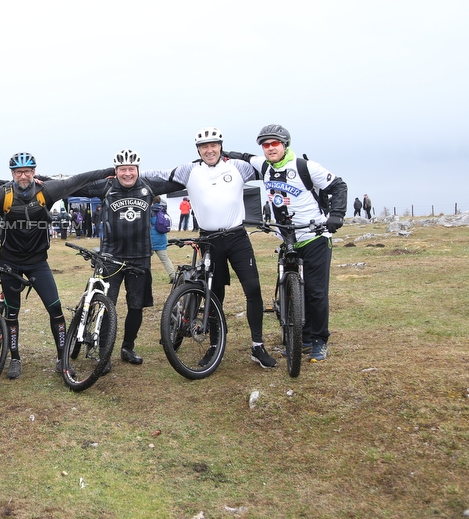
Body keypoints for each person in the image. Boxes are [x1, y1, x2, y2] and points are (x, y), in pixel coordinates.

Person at [0, 153, 113, 378]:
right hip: (10, 262)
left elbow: (78, 179)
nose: (23, 175)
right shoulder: (2, 194)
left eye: (27, 171)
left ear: (34, 171)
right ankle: (15, 359)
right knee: (12, 314)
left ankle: (62, 358)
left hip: (38, 263)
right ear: (12, 174)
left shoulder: (46, 191)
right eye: (19, 172)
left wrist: (110, 170)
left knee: (55, 309)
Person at [145, 127, 276, 369]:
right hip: (209, 240)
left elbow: (269, 164)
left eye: (213, 145)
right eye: (204, 146)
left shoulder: (238, 167)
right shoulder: (189, 170)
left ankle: (258, 345)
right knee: (214, 295)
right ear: (198, 150)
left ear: (220, 146)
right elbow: (159, 174)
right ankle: (215, 346)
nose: (209, 150)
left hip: (237, 237)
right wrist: (126, 173)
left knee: (253, 289)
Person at [233, 124, 347, 363]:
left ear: (285, 145)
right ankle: (301, 338)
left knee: (316, 292)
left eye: (275, 143)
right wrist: (214, 154)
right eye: (266, 145)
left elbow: (338, 186)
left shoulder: (306, 167)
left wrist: (336, 214)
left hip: (314, 236)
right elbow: (241, 157)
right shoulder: (263, 165)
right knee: (292, 292)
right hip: (287, 237)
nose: (270, 148)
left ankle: (319, 340)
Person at [72, 150, 185, 365]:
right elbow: (75, 185)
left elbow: (179, 182)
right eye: (122, 169)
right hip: (111, 257)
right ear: (115, 171)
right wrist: (45, 181)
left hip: (140, 257)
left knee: (136, 306)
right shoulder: (105, 187)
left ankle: (128, 348)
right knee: (107, 305)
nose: (127, 173)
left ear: (138, 170)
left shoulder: (149, 186)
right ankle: (103, 353)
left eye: (131, 169)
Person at [150, 197, 175, 281]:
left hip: (151, 239)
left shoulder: (149, 211)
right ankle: (173, 276)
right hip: (162, 238)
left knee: (146, 260)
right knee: (165, 259)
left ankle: (146, 278)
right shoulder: (163, 210)